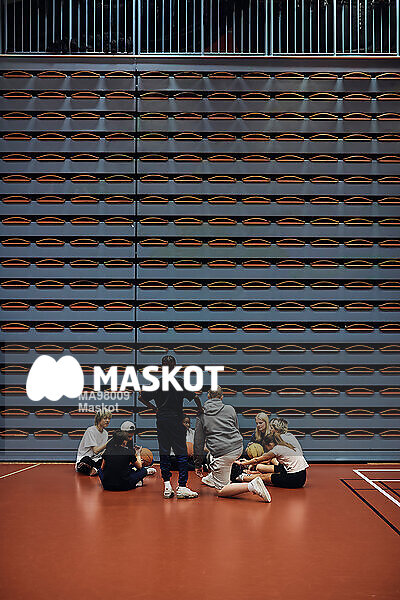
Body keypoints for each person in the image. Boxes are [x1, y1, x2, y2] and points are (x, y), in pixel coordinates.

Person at [138, 354, 203, 499]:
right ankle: (182, 486)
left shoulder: (156, 383)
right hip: (176, 419)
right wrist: (200, 409)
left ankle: (167, 486)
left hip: (162, 419)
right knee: (181, 453)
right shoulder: (180, 382)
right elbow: (195, 397)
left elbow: (141, 397)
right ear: (174, 367)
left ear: (162, 367)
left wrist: (154, 408)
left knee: (164, 452)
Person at [194, 386, 271, 502]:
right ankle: (213, 476)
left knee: (220, 490)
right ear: (221, 397)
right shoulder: (230, 409)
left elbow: (198, 442)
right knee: (213, 453)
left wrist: (197, 464)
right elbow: (235, 428)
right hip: (237, 448)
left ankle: (252, 485)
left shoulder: (202, 414)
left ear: (208, 396)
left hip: (223, 453)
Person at [235, 432, 309, 489]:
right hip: (302, 476)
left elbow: (257, 460)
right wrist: (250, 464)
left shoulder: (277, 449)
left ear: (270, 444)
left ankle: (240, 477)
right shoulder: (286, 445)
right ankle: (249, 474)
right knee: (265, 470)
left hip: (295, 480)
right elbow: (267, 460)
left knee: (264, 477)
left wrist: (243, 463)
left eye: (266, 447)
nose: (267, 450)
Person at [75, 409, 112, 476]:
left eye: (109, 418)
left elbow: (101, 451)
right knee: (86, 461)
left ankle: (95, 469)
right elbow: (95, 450)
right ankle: (96, 469)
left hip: (97, 459)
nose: (107, 421)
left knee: (110, 460)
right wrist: (109, 443)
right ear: (99, 419)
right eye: (105, 418)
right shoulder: (90, 431)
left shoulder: (105, 433)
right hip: (86, 458)